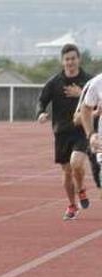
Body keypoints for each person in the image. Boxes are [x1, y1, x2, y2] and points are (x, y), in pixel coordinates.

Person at [37, 43, 93, 220]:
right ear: (62, 61)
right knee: (67, 171)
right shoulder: (54, 82)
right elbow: (41, 100)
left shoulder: (89, 81)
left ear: (79, 59)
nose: (70, 62)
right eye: (67, 59)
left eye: (73, 58)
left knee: (76, 163)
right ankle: (72, 205)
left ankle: (81, 188)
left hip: (82, 130)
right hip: (61, 132)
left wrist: (81, 94)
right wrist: (41, 113)